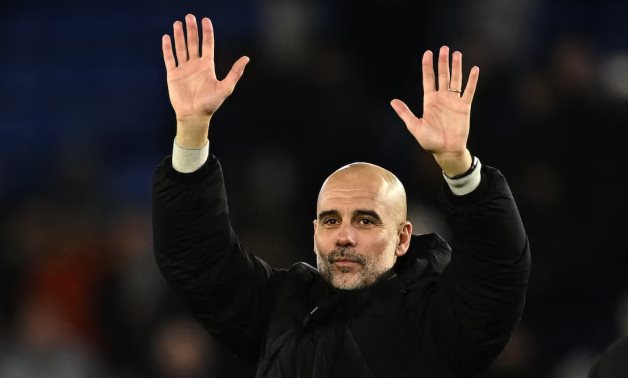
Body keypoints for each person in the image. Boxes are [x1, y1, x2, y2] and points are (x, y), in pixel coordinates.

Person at [152, 13, 531, 378]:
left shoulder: (438, 321)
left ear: (402, 238)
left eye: (366, 220)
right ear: (315, 232)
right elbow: (197, 257)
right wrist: (191, 131)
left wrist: (457, 165)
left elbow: (499, 269)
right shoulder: (280, 310)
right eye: (331, 220)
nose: (344, 236)